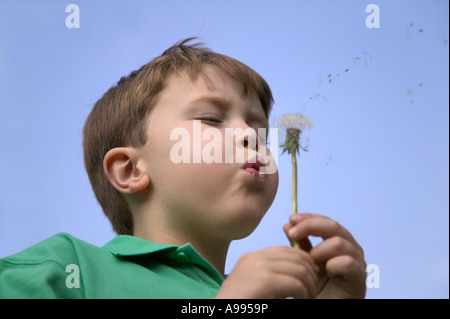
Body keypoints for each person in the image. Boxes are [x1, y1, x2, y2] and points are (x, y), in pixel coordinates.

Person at [0, 38, 366, 299]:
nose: (250, 137)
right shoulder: (67, 269)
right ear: (130, 170)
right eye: (211, 119)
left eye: (259, 131)